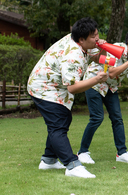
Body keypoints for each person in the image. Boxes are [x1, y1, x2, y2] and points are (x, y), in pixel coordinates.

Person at [27, 17, 108, 178]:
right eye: (93, 37)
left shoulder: (83, 43)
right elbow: (73, 87)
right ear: (81, 39)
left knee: (63, 120)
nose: (97, 39)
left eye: (97, 34)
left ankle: (48, 160)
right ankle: (72, 165)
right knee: (58, 125)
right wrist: (96, 79)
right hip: (43, 88)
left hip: (55, 87)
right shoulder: (73, 55)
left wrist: (103, 48)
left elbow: (100, 59)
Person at [77, 28, 128, 165]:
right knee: (97, 117)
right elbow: (111, 72)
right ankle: (82, 152)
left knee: (117, 119)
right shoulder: (115, 48)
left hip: (110, 87)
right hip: (95, 82)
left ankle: (121, 153)